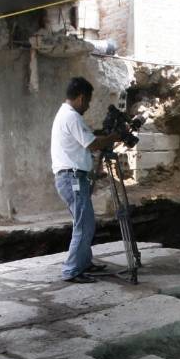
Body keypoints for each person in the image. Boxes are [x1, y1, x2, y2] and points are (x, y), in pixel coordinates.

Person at [50, 77, 120, 283]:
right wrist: (113, 137)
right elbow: (92, 145)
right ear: (81, 98)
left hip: (71, 178)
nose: (88, 106)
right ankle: (72, 270)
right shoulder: (71, 117)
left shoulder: (66, 115)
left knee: (83, 223)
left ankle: (84, 262)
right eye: (88, 101)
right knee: (84, 225)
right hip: (72, 178)